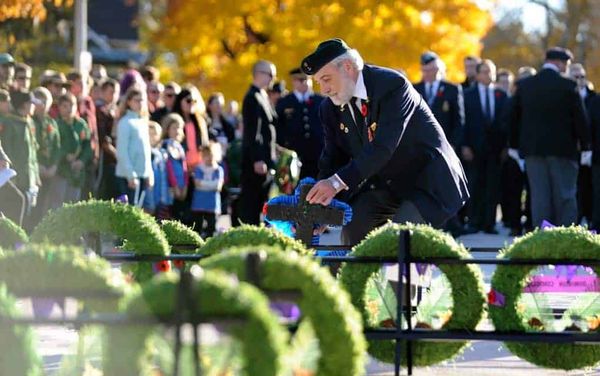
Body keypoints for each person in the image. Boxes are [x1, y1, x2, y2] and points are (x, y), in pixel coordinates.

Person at [301, 38, 469, 245]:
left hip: (427, 179)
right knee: (354, 230)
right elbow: (333, 158)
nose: (323, 89)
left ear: (348, 67)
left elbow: (382, 147)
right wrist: (323, 209)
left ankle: (408, 278)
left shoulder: (392, 85)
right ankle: (359, 278)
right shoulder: (330, 108)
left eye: (326, 79)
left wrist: (335, 184)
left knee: (401, 242)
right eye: (319, 82)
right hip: (385, 182)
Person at [508, 47, 591, 227]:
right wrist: (585, 147)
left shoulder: (525, 85)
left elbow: (513, 118)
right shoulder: (568, 86)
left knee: (540, 196)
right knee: (565, 195)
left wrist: (514, 146)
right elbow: (580, 120)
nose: (566, 68)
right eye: (566, 64)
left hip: (533, 151)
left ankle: (543, 237)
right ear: (559, 63)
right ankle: (564, 236)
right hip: (563, 151)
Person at [461, 59, 509, 234]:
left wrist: (505, 147)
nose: (489, 75)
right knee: (474, 185)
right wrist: (464, 145)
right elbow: (463, 122)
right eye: (486, 71)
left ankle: (489, 223)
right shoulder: (467, 94)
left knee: (492, 187)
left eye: (492, 71)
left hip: (495, 150)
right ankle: (474, 221)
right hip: (474, 149)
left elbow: (506, 124)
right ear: (478, 74)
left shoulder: (501, 95)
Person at [239, 60, 278, 225]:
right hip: (255, 162)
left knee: (263, 202)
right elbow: (253, 131)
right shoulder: (252, 97)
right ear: (258, 74)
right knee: (253, 205)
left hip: (266, 158)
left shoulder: (262, 95)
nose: (272, 78)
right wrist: (257, 159)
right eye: (269, 74)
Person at [275, 67, 325, 179]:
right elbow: (278, 127)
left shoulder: (320, 101)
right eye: (300, 80)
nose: (305, 83)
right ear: (293, 81)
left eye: (307, 79)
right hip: (294, 152)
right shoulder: (284, 102)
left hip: (318, 152)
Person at [0, 91, 40, 226]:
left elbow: (32, 152)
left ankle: (17, 240)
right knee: (17, 202)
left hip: (26, 175)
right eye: (31, 103)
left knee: (25, 206)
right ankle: (13, 239)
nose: (34, 106)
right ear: (24, 104)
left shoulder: (28, 122)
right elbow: (8, 147)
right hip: (15, 175)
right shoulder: (10, 123)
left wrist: (36, 175)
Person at [413, 52, 464, 148]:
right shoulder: (414, 89)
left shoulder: (452, 89)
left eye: (432, 70)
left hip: (445, 142)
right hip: (420, 144)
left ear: (439, 70)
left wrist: (453, 143)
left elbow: (458, 119)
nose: (428, 74)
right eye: (425, 70)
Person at [115, 87, 153, 205]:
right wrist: (130, 175)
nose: (140, 103)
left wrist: (149, 173)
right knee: (129, 212)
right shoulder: (125, 122)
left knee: (137, 210)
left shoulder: (142, 121)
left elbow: (146, 150)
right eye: (137, 100)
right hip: (128, 176)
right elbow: (122, 151)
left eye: (142, 100)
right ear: (129, 102)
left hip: (141, 174)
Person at [569, 63, 596, 225]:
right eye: (575, 77)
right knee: (573, 188)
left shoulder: (593, 98)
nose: (579, 80)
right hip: (571, 150)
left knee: (590, 186)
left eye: (582, 77)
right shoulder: (565, 95)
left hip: (591, 151)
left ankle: (591, 218)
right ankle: (575, 219)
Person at [55, 93, 92, 205]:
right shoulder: (56, 125)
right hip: (61, 170)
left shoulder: (81, 124)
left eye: (72, 105)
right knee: (58, 202)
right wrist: (65, 155)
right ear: (59, 107)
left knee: (73, 203)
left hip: (77, 172)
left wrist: (82, 160)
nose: (69, 109)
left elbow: (88, 146)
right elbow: (53, 147)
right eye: (65, 106)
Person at [191, 141, 224, 238]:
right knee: (197, 227)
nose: (209, 158)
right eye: (206, 155)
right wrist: (210, 185)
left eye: (211, 155)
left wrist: (203, 184)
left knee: (211, 228)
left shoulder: (218, 170)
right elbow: (197, 184)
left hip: (212, 205)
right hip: (199, 203)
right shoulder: (198, 169)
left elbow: (218, 186)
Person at [161, 113, 188, 221]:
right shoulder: (165, 145)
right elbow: (169, 168)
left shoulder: (179, 147)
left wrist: (185, 186)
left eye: (179, 128)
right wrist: (175, 186)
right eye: (174, 128)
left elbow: (184, 168)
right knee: (167, 215)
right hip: (170, 188)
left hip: (181, 187)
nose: (177, 131)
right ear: (167, 129)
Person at [144, 121, 172, 219]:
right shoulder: (146, 152)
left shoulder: (162, 153)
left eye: (154, 134)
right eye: (149, 134)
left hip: (161, 194)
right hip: (150, 192)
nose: (151, 137)